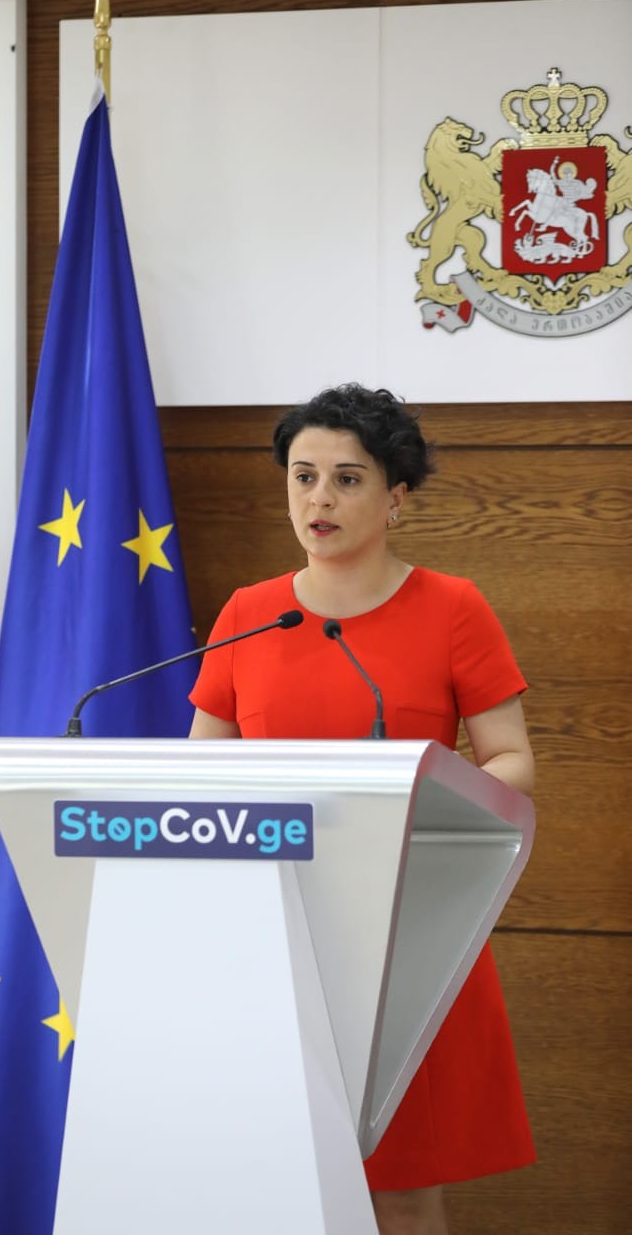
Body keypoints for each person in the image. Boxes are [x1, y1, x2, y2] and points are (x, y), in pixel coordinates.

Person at [188, 383, 535, 1235]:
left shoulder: (453, 608)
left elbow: (512, 759)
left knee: (402, 1190)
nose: (318, 498)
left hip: (406, 935)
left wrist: (439, 811)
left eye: (346, 479)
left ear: (396, 498)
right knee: (272, 1184)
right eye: (302, 476)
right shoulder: (246, 614)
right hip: (271, 937)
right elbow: (201, 772)